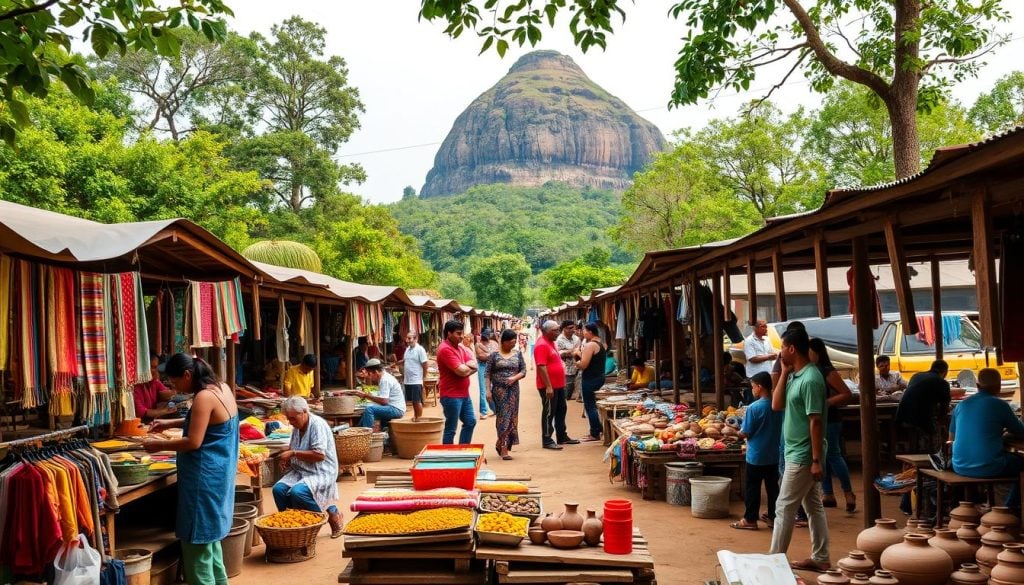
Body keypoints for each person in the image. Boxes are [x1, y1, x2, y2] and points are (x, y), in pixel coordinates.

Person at [143, 353, 239, 584]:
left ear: (187, 374)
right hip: (218, 477)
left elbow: (193, 442)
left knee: (197, 544)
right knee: (211, 540)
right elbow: (210, 421)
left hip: (202, 481)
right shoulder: (221, 388)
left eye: (174, 382)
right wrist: (171, 422)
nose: (173, 387)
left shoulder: (204, 397)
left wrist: (159, 445)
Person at [769, 328, 830, 572]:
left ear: (792, 348)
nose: (780, 352)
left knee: (783, 506)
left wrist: (816, 460)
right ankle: (821, 557)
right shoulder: (795, 375)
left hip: (804, 455)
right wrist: (783, 372)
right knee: (813, 505)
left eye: (782, 347)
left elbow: (815, 421)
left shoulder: (812, 379)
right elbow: (776, 405)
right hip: (794, 451)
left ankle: (774, 560)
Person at [950, 368, 1024, 507]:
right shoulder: (1001, 405)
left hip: (959, 465)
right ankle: (1009, 509)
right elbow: (1021, 432)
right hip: (989, 466)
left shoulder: (961, 405)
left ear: (977, 386)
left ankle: (999, 508)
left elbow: (951, 439)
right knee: (1020, 463)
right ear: (999, 387)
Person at [270, 396, 343, 538]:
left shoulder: (317, 425)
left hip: (322, 471)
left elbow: (319, 455)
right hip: (302, 470)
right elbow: (293, 446)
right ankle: (292, 524)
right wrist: (288, 458)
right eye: (289, 419)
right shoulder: (297, 427)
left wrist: (293, 453)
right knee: (278, 490)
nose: (291, 423)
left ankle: (331, 515)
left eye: (293, 419)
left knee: (298, 492)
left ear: (304, 412)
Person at [808, 338, 856, 513]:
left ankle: (848, 492)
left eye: (809, 351)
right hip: (816, 418)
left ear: (817, 352)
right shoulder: (809, 370)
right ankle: (828, 494)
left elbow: (846, 394)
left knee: (834, 454)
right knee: (822, 456)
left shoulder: (827, 371)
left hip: (831, 419)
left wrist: (826, 403)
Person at [732, 372, 783, 530]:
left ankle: (750, 519)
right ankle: (773, 517)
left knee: (752, 488)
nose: (752, 389)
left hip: (756, 455)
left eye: (753, 386)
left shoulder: (755, 407)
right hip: (773, 454)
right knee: (772, 488)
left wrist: (734, 430)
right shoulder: (778, 405)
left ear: (759, 387)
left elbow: (745, 433)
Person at [534, 320, 577, 449]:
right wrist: (548, 386)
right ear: (545, 331)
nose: (557, 332)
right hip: (549, 386)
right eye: (555, 330)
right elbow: (541, 366)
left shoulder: (551, 343)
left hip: (558, 384)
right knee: (549, 412)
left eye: (558, 329)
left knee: (561, 409)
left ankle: (561, 435)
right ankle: (547, 439)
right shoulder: (541, 345)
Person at [485, 329, 527, 460]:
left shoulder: (518, 354)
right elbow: (487, 373)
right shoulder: (494, 355)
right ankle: (503, 448)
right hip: (499, 391)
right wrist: (487, 390)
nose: (513, 345)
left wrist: (515, 378)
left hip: (513, 390)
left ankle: (502, 444)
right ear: (503, 342)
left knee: (512, 417)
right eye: (511, 342)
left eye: (514, 342)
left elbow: (524, 370)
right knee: (503, 417)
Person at [896, 359, 951, 455]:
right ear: (945, 372)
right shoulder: (942, 382)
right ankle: (934, 454)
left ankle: (917, 452)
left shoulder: (916, 376)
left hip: (902, 415)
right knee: (938, 428)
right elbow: (944, 407)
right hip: (919, 417)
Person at [437, 319, 478, 444]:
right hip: (451, 395)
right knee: (451, 428)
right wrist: (467, 368)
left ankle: (463, 449)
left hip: (463, 394)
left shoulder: (460, 348)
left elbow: (474, 364)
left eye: (461, 333)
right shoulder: (445, 349)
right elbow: (461, 371)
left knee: (470, 421)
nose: (461, 337)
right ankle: (448, 456)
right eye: (458, 333)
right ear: (449, 334)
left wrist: (466, 367)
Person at [574, 323, 607, 442]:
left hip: (590, 378)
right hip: (599, 376)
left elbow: (583, 364)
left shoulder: (590, 345)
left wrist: (577, 359)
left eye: (584, 331)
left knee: (590, 406)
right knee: (593, 406)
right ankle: (599, 429)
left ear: (590, 332)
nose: (582, 333)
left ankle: (595, 433)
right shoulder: (601, 344)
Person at [353, 359, 406, 429]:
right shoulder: (384, 377)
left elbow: (384, 401)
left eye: (369, 374)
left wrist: (366, 396)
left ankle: (365, 433)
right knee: (369, 408)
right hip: (393, 407)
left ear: (376, 372)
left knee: (370, 409)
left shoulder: (385, 380)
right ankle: (359, 428)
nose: (370, 377)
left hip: (396, 409)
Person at [134, 353, 175, 420]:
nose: (155, 371)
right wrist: (165, 411)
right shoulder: (136, 385)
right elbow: (140, 412)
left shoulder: (154, 381)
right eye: (152, 367)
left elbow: (168, 394)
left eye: (156, 367)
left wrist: (175, 387)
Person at [403, 332, 429, 420]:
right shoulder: (407, 349)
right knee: (413, 401)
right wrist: (396, 363)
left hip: (416, 380)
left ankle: (419, 419)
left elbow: (425, 364)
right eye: (407, 338)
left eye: (410, 338)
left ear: (415, 339)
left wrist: (424, 378)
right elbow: (405, 360)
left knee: (417, 401)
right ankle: (416, 416)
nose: (408, 340)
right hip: (408, 380)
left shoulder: (420, 349)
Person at [474, 330, 498, 419]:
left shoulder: (494, 343)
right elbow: (481, 356)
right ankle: (484, 411)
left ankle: (495, 410)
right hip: (483, 367)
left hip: (492, 367)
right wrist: (492, 355)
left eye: (487, 335)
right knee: (483, 390)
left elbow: (497, 354)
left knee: (493, 389)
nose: (486, 337)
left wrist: (489, 355)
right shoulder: (478, 344)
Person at [556, 320, 581, 400]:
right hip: (564, 370)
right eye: (569, 328)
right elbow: (558, 354)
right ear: (564, 329)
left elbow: (578, 352)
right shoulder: (559, 340)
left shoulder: (576, 339)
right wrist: (571, 352)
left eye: (573, 328)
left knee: (575, 393)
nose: (572, 330)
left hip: (576, 368)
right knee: (566, 395)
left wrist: (568, 352)